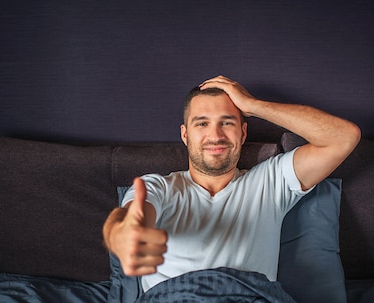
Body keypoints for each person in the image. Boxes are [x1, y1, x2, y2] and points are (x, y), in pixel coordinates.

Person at [103, 75, 360, 292]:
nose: (215, 136)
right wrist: (122, 236)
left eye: (227, 122)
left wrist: (253, 105)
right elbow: (128, 219)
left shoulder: (271, 181)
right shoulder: (160, 188)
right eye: (202, 123)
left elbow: (344, 137)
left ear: (243, 132)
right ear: (185, 135)